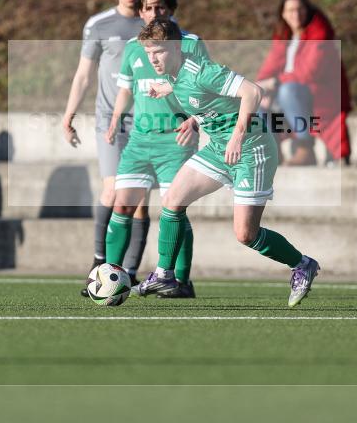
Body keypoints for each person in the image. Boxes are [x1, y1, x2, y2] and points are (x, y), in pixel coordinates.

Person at [134, 18, 320, 307]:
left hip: (251, 148)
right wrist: (168, 91)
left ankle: (302, 264)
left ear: (175, 47)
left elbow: (253, 92)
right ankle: (164, 274)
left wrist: (237, 136)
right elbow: (196, 94)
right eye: (148, 54)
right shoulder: (175, 74)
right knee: (172, 199)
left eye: (158, 52)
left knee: (246, 234)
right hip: (220, 148)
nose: (153, 59)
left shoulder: (203, 71)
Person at [104, 0, 204, 297]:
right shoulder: (135, 46)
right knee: (122, 205)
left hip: (175, 141)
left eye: (160, 6)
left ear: (171, 9)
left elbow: (205, 87)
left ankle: (181, 280)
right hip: (139, 141)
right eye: (148, 7)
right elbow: (126, 88)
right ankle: (109, 278)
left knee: (174, 209)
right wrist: (116, 118)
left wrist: (194, 119)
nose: (154, 12)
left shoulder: (190, 43)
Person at [61, 0, 151, 296]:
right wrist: (69, 113)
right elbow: (84, 74)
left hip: (148, 123)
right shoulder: (98, 25)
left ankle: (127, 271)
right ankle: (100, 263)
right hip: (108, 122)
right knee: (113, 192)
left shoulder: (154, 22)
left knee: (140, 200)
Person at [256, 0, 351, 166]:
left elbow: (308, 72)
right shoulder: (285, 37)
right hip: (290, 91)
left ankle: (305, 147)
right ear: (283, 14)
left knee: (287, 91)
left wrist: (275, 83)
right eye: (290, 10)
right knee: (256, 101)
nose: (296, 15)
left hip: (319, 93)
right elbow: (269, 68)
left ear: (307, 11)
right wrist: (260, 89)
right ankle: (272, 153)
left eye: (300, 9)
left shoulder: (319, 35)